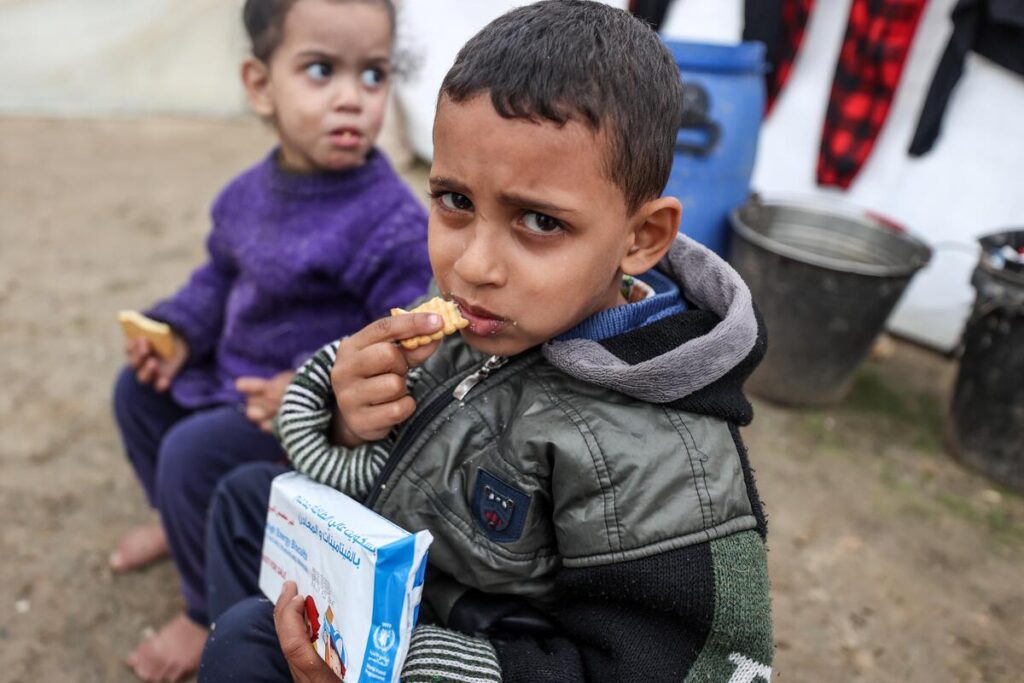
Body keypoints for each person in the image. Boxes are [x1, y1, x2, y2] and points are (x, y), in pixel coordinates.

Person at [199, 1, 774, 681]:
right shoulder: (474, 316)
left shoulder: (666, 455)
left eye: (539, 220)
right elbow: (394, 469)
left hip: (484, 657)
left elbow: (681, 665)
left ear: (642, 237)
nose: (474, 264)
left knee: (245, 641)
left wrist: (402, 664)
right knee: (243, 496)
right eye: (455, 202)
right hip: (421, 575)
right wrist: (349, 418)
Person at [110, 0, 430, 679]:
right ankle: (177, 521)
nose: (352, 99)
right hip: (231, 379)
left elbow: (399, 341)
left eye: (372, 75)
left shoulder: (390, 221)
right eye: (320, 70)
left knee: (191, 451)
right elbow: (216, 280)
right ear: (261, 85)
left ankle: (201, 610)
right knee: (136, 392)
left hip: (300, 418)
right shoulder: (246, 196)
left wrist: (311, 389)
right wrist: (174, 332)